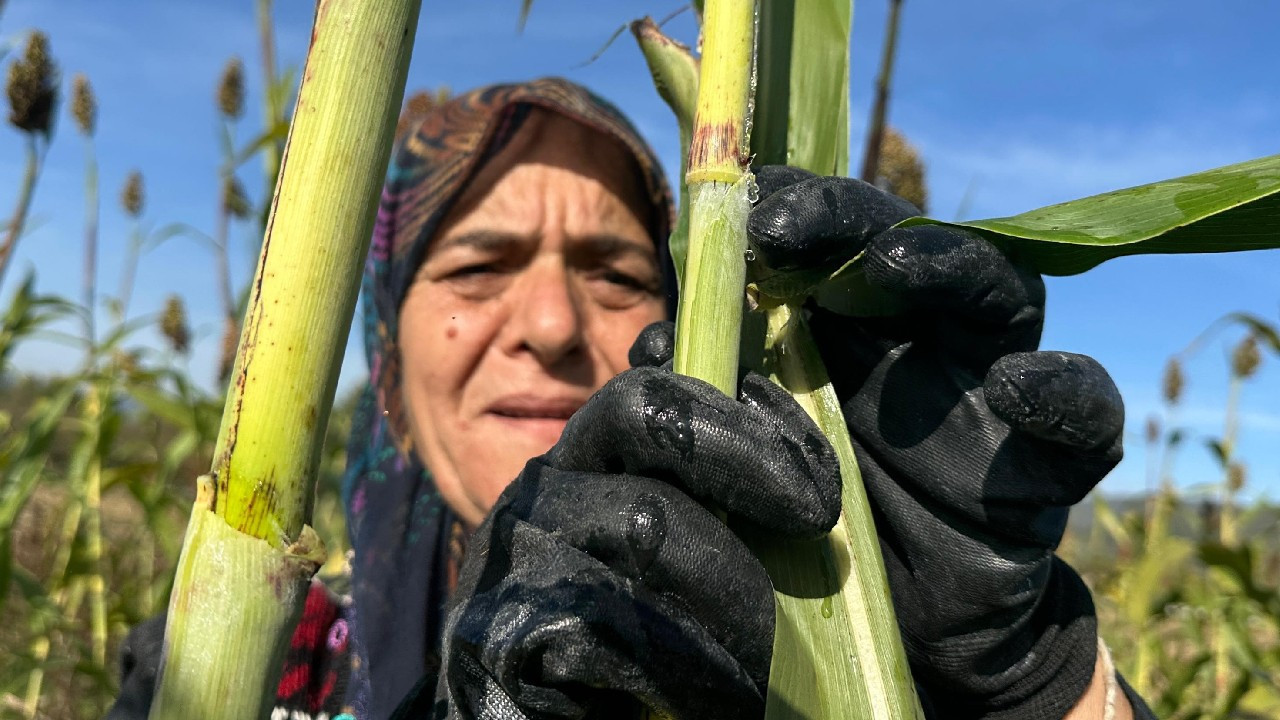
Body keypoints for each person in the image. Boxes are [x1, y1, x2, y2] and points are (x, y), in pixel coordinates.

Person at [109, 77, 1156, 720]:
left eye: (616, 273)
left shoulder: (839, 676)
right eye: (479, 267)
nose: (556, 325)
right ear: (385, 360)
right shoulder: (240, 672)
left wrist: (1023, 683)